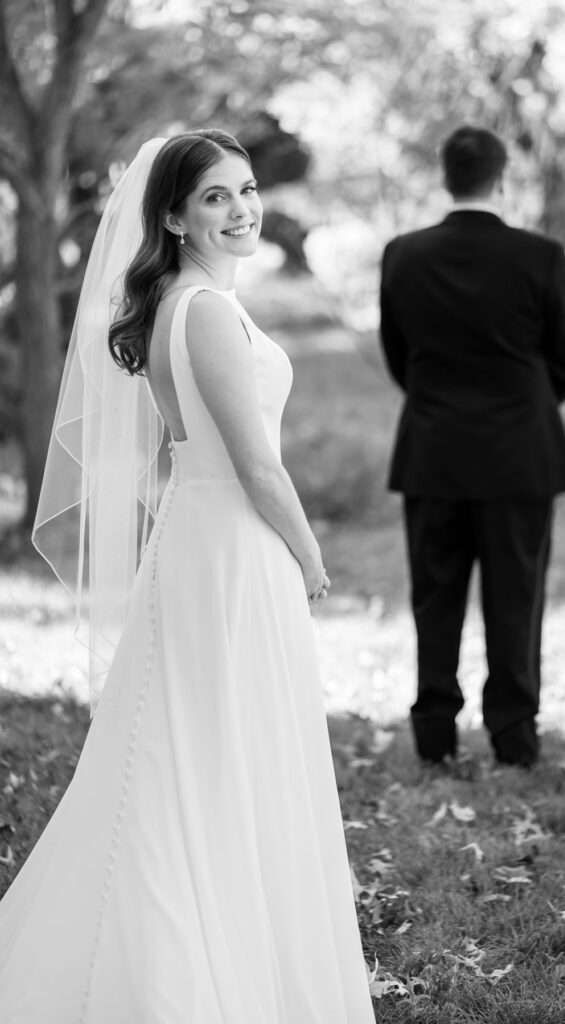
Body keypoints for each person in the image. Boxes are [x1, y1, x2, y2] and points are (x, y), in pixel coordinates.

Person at [0, 129, 375, 1024]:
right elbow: (255, 465)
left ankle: (229, 937)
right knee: (208, 748)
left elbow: (191, 455)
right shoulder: (201, 311)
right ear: (172, 216)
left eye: (245, 190)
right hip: (232, 544)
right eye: (214, 197)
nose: (241, 208)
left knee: (206, 742)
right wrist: (310, 556)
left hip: (206, 538)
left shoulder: (185, 299)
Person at [379, 125, 565, 769]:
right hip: (521, 455)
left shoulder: (402, 254)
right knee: (516, 601)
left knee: (433, 601)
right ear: (501, 176)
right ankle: (515, 739)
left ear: (446, 176)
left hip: (433, 450)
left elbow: (397, 355)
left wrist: (442, 402)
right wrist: (522, 408)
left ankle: (434, 737)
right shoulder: (540, 255)